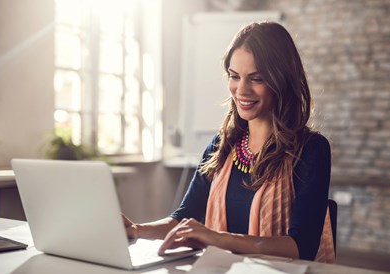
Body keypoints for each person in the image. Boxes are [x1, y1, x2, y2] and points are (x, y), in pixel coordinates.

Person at [123, 21, 335, 263]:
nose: (241, 90)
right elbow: (184, 217)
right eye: (234, 76)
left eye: (256, 78)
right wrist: (136, 230)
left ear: (281, 80)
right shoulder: (222, 145)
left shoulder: (312, 149)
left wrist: (217, 238)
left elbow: (302, 247)